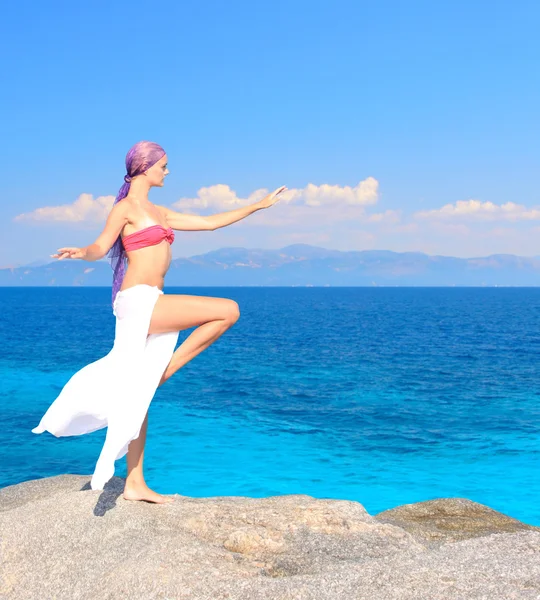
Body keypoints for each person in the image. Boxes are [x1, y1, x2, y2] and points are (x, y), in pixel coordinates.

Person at [32, 140, 286, 503]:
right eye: (163, 165)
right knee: (228, 309)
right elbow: (100, 247)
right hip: (137, 302)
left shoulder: (161, 212)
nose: (167, 171)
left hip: (154, 300)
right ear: (145, 167)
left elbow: (210, 223)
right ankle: (163, 373)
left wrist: (258, 205)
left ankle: (134, 482)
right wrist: (80, 253)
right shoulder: (125, 208)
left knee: (139, 397)